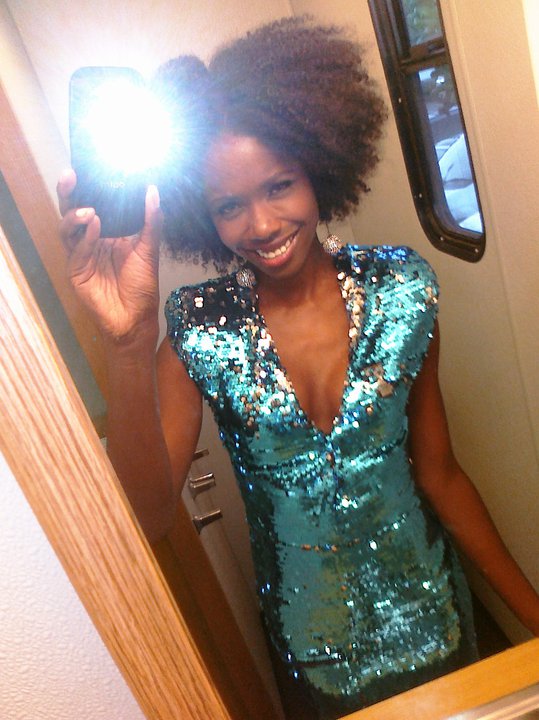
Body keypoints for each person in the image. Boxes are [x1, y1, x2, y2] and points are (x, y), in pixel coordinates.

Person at [58, 16, 539, 720]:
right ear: (203, 214)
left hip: (434, 616)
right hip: (313, 654)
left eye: (279, 184)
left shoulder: (401, 291)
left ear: (317, 163)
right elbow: (151, 516)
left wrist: (533, 615)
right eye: (229, 206)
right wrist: (128, 345)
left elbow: (440, 475)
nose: (260, 224)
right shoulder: (199, 328)